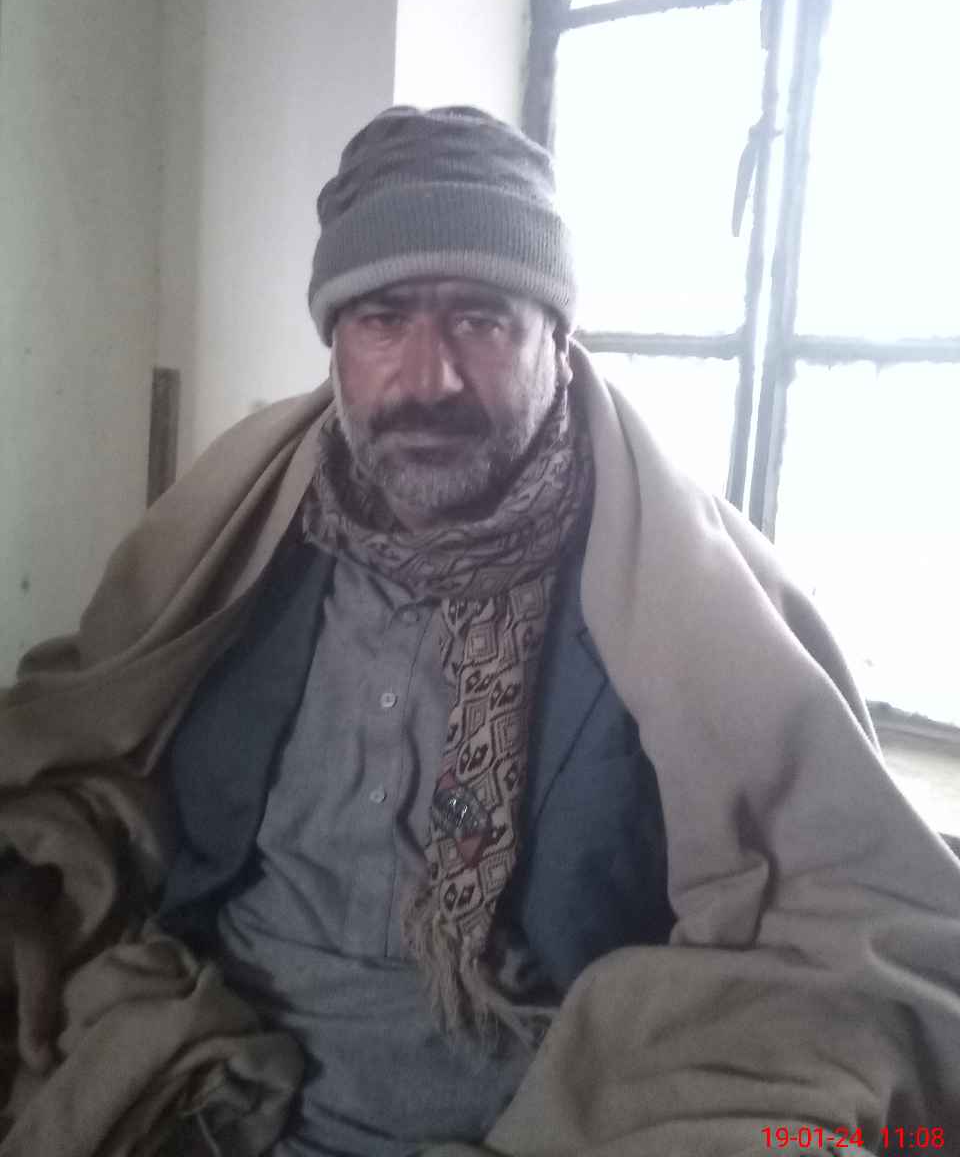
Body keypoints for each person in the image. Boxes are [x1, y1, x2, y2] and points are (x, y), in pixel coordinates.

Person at [1, 107, 959, 1157]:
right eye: (383, 318)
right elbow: (86, 749)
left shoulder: (679, 580)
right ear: (334, 343)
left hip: (538, 1110)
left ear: (558, 338)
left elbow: (857, 918)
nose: (431, 379)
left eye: (482, 319)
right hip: (213, 1080)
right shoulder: (240, 529)